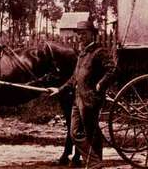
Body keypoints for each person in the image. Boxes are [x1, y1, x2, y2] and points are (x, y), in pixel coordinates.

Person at [48, 20, 116, 169]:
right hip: (77, 98)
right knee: (74, 133)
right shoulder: (82, 54)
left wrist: (101, 84)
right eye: (79, 34)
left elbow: (112, 69)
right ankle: (95, 162)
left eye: (84, 33)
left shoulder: (99, 52)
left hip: (91, 98)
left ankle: (95, 163)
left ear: (92, 34)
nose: (81, 37)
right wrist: (59, 90)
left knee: (92, 131)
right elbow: (74, 78)